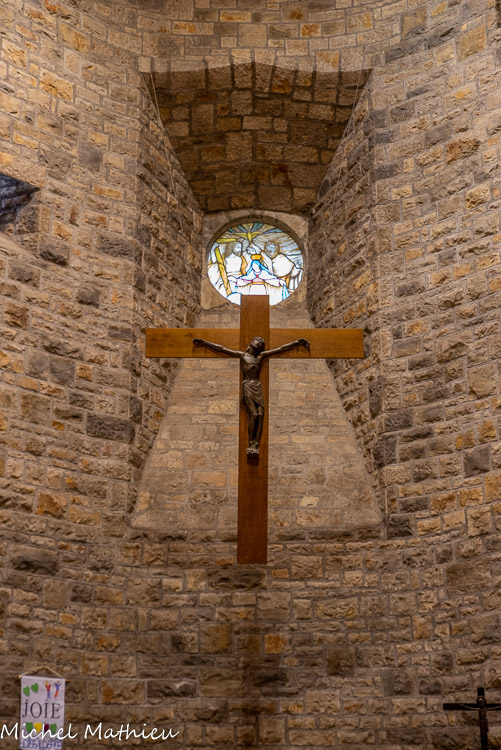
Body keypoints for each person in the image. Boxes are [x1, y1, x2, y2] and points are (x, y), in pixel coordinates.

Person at [193, 335, 310, 456]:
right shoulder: (242, 356)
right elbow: (222, 349)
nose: (259, 342)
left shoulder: (260, 356)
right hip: (247, 385)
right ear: (251, 343)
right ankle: (250, 442)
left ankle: (256, 443)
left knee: (261, 415)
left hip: (257, 386)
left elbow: (280, 349)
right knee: (253, 414)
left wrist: (296, 342)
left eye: (261, 342)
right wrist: (205, 343)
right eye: (257, 340)